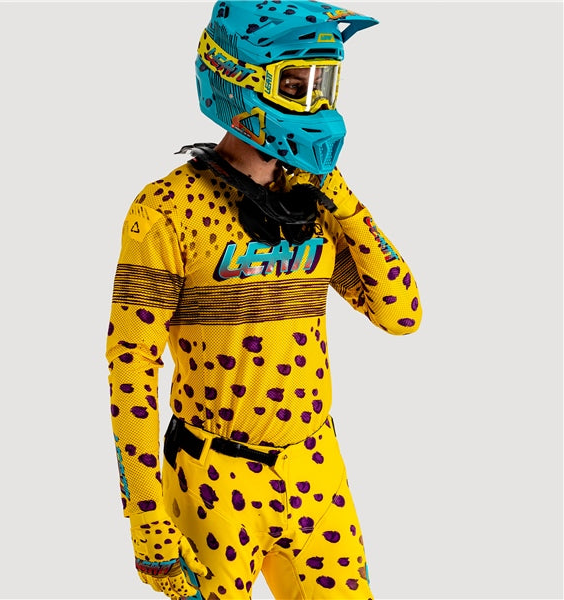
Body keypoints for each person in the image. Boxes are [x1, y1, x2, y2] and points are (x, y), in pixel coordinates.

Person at [106, 1, 421, 599]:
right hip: (213, 480)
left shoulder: (313, 206)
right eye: (296, 85)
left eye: (324, 84)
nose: (316, 104)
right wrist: (145, 515)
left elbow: (400, 313)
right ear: (238, 83)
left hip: (314, 471)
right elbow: (132, 366)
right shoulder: (165, 211)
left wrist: (337, 195)